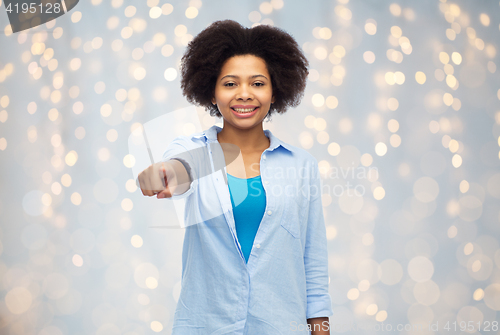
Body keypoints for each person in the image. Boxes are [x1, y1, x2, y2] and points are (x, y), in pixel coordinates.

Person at [138, 20, 333, 335]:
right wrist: (160, 175)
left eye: (257, 83)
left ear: (275, 91)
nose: (244, 94)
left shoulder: (301, 165)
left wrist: (320, 327)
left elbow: (312, 257)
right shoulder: (192, 150)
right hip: (205, 326)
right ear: (212, 93)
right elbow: (179, 169)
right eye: (230, 84)